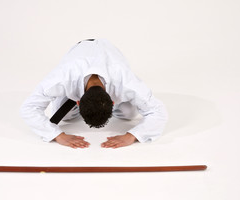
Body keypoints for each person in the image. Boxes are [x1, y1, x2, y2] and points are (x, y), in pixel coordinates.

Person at [20, 38, 168, 149]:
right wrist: (58, 135)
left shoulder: (126, 81)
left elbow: (159, 112)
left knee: (129, 114)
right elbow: (28, 108)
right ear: (77, 101)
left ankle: (117, 108)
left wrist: (133, 136)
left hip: (109, 50)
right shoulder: (62, 77)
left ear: (113, 101)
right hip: (80, 50)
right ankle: (70, 106)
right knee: (66, 117)